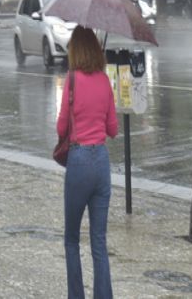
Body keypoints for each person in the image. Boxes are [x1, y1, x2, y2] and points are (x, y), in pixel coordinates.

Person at [57, 25, 118, 299]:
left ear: (74, 50)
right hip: (101, 162)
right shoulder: (105, 81)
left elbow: (61, 128)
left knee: (72, 239)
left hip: (79, 160)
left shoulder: (71, 80)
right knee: (99, 242)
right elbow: (113, 129)